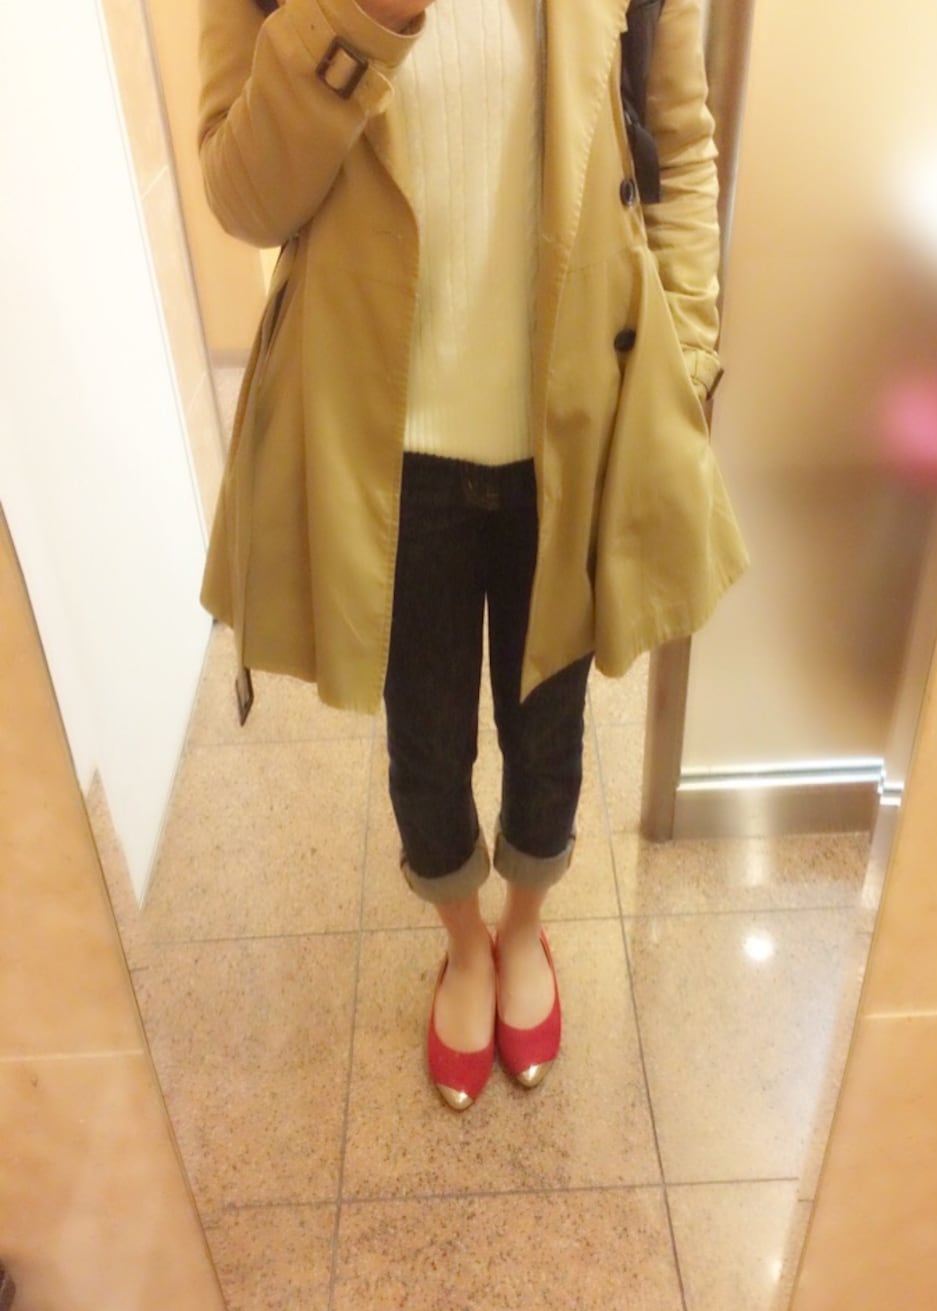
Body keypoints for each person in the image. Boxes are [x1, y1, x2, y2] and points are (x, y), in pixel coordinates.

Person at [196, 0, 748, 1110]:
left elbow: (680, 147)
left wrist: (685, 357)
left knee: (548, 734)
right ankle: (462, 943)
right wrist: (360, 19)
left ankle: (525, 927)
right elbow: (245, 198)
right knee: (427, 742)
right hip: (385, 446)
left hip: (571, 426)